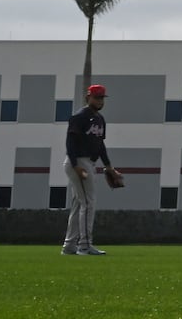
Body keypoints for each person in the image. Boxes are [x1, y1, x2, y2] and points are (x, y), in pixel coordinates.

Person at [62, 83, 117, 256]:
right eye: (97, 97)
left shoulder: (100, 119)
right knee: (88, 202)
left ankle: (70, 245)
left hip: (88, 163)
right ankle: (85, 245)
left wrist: (109, 166)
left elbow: (100, 145)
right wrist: (76, 165)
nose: (100, 100)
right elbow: (70, 142)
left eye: (102, 97)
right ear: (88, 98)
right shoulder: (79, 117)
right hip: (78, 161)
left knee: (79, 204)